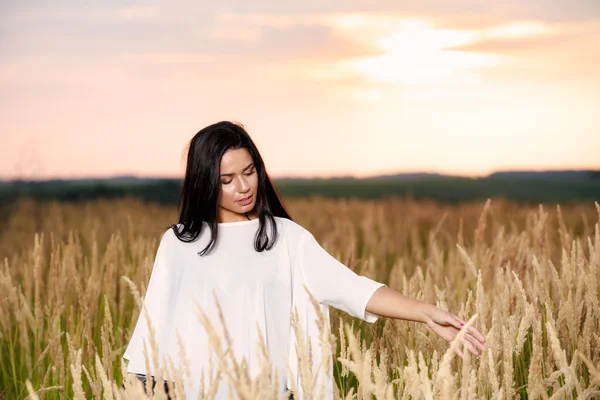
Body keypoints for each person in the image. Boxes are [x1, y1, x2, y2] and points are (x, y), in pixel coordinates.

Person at [122, 121, 486, 399]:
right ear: (205, 182)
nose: (244, 187)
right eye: (227, 179)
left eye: (250, 172)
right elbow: (155, 329)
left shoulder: (285, 238)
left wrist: (425, 312)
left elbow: (351, 288)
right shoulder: (179, 242)